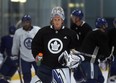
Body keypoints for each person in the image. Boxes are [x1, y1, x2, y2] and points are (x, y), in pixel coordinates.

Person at [31, 6, 79, 83]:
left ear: (62, 20)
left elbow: (74, 49)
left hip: (62, 68)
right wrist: (36, 55)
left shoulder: (71, 33)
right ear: (52, 20)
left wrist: (73, 57)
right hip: (45, 67)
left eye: (59, 19)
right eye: (55, 19)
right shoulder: (43, 32)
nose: (57, 21)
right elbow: (35, 45)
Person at [73, 18, 110, 83]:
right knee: (92, 80)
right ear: (103, 26)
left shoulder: (92, 32)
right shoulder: (99, 33)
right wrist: (108, 56)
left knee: (100, 79)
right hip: (90, 61)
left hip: (85, 61)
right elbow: (104, 49)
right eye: (105, 25)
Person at [11, 15, 40, 83]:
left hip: (38, 57)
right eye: (24, 22)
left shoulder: (37, 30)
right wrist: (14, 55)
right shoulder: (18, 32)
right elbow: (16, 45)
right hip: (24, 58)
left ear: (30, 22)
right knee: (26, 75)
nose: (25, 24)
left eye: (27, 22)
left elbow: (42, 42)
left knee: (40, 74)